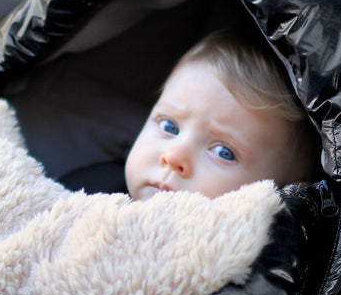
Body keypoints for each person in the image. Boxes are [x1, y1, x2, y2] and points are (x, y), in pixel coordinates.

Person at [125, 28, 321, 201]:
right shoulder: (101, 200)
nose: (174, 157)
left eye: (223, 153)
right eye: (169, 126)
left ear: (288, 194)